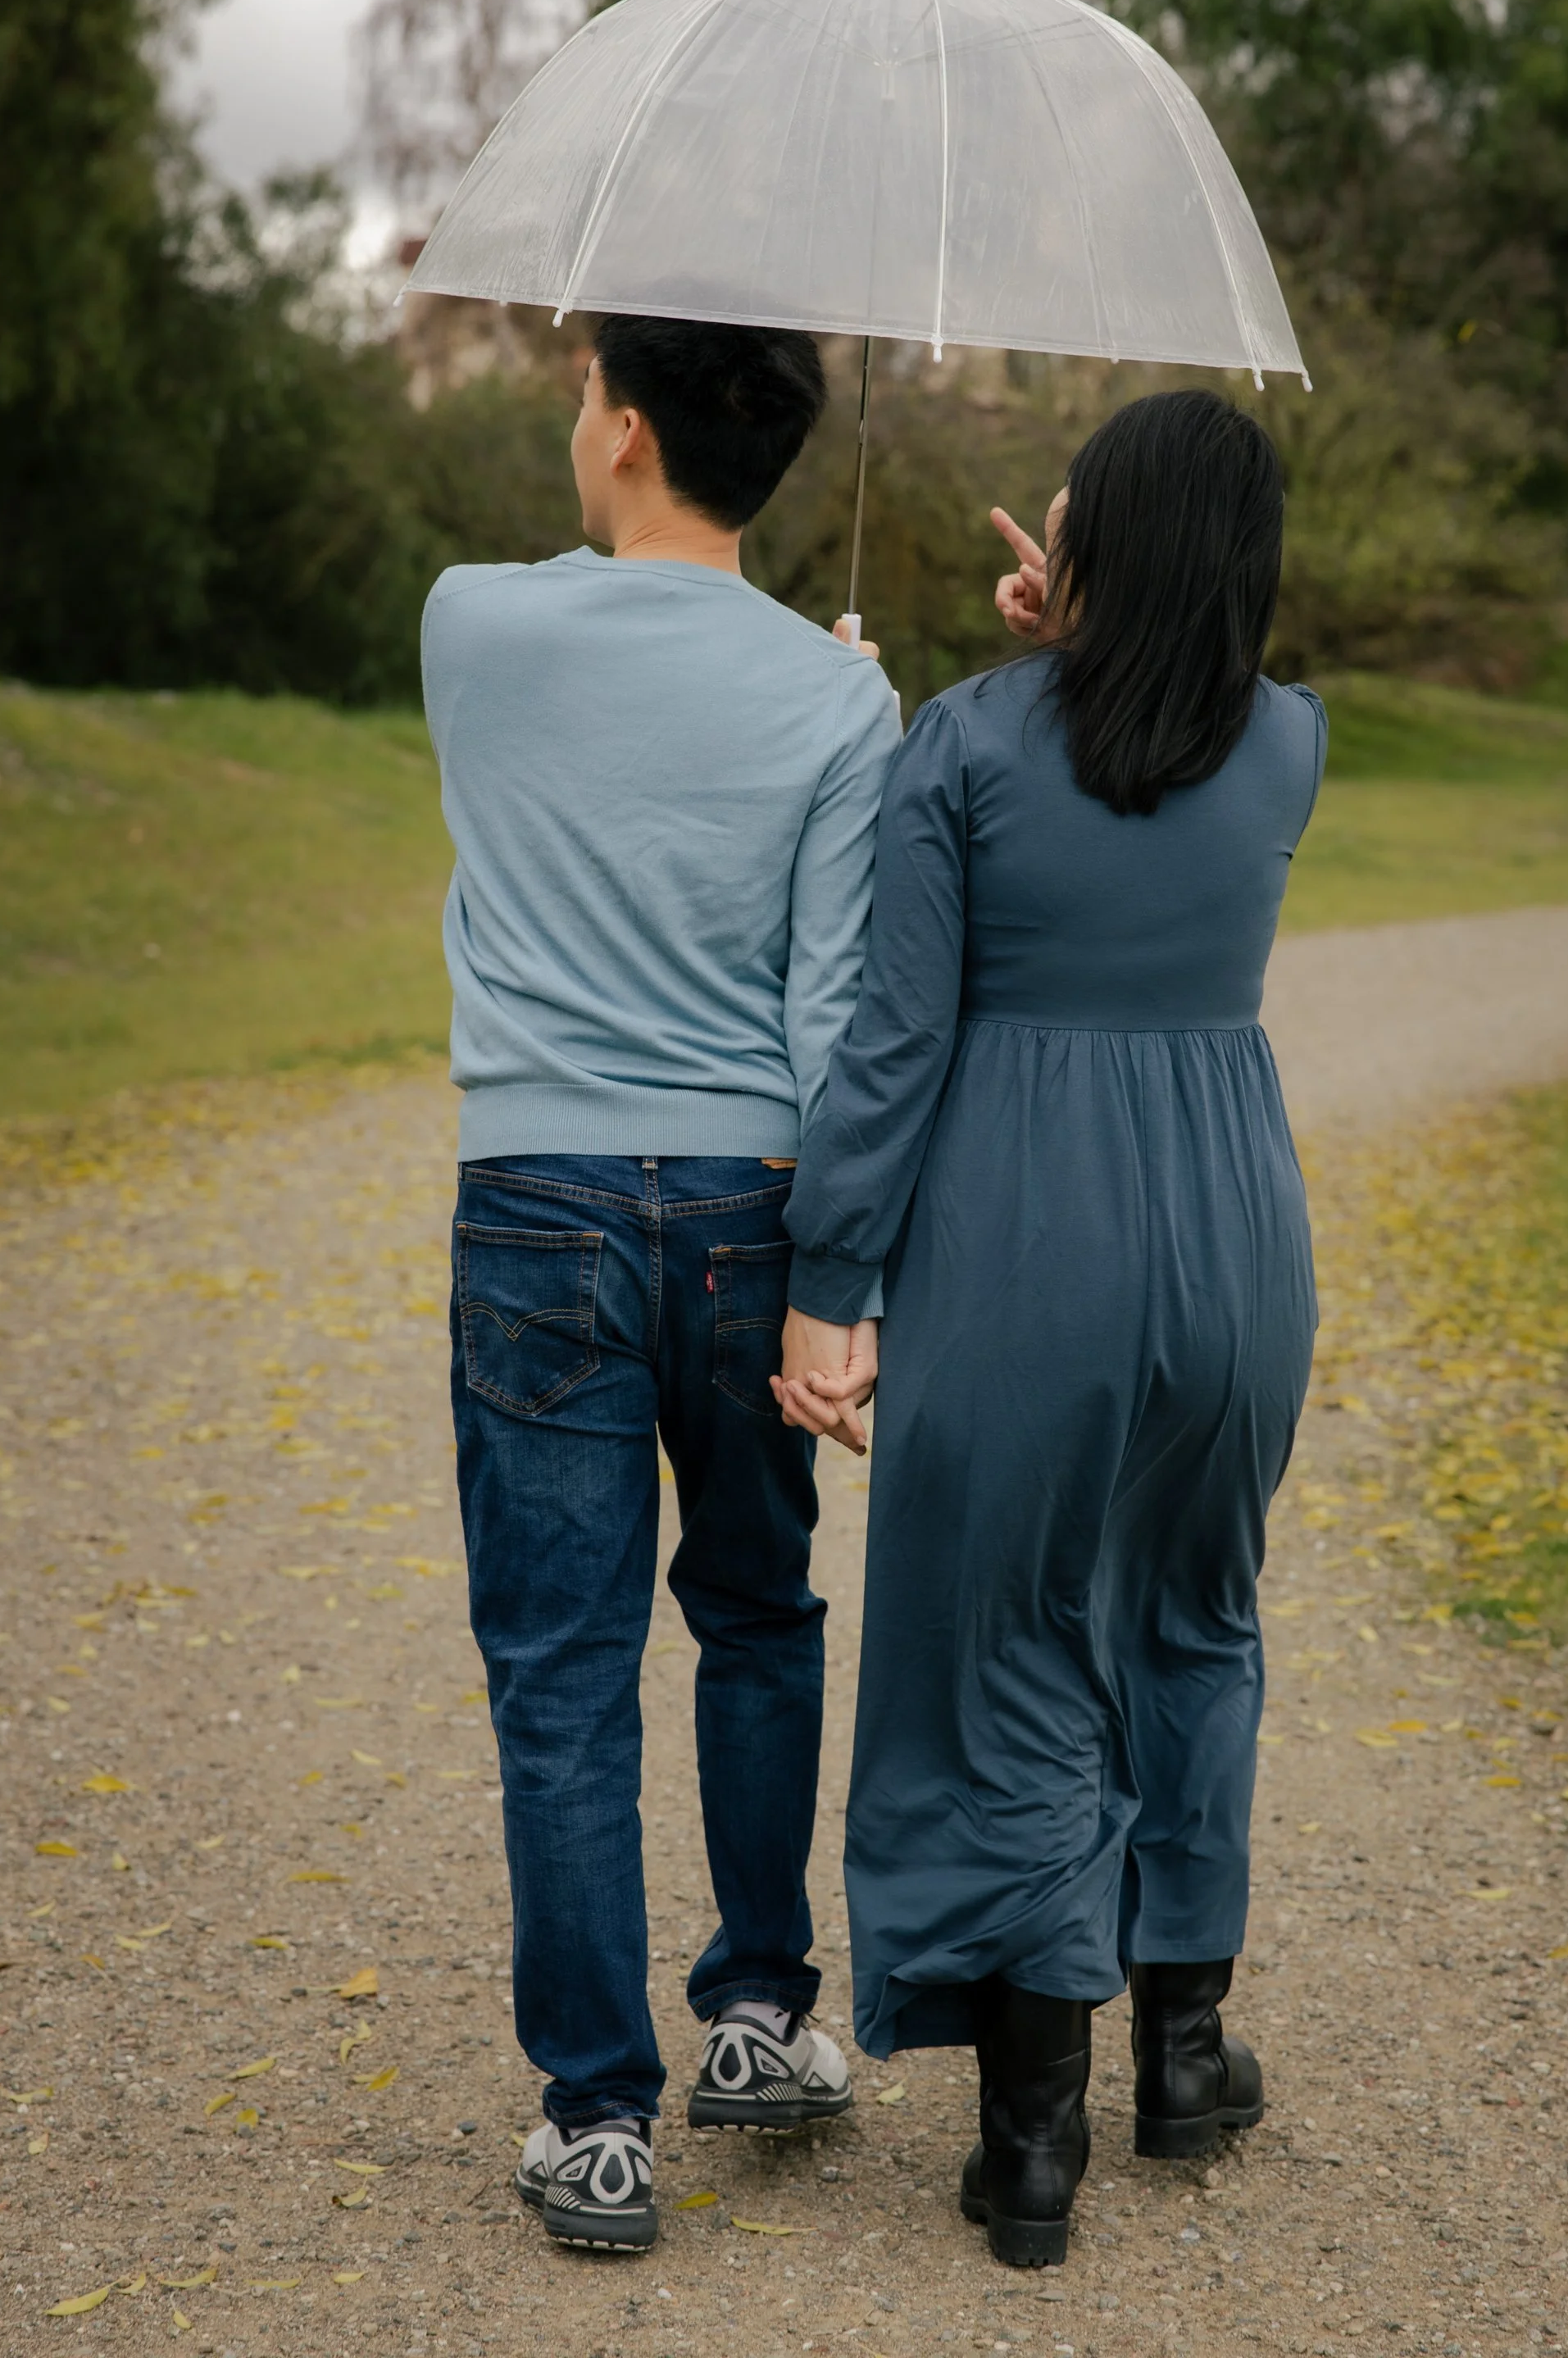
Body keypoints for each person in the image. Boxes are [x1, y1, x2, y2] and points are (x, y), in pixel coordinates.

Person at [774, 388, 1325, 2269]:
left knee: (1009, 1646)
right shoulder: (1292, 748)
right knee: (1194, 1614)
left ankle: (1032, 2145)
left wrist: (829, 1283)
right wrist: (1105, 634)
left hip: (1027, 1236)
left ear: (1093, 550)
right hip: (1236, 1242)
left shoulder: (964, 750)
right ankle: (1182, 2055)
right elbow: (1183, 721)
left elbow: (894, 1046)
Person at [425, 316, 901, 2252]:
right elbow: (832, 1014)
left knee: (559, 1666)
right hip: (747, 1201)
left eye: (576, 397)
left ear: (622, 431)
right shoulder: (838, 703)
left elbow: (579, 634)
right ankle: (761, 2014)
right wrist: (839, 698)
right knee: (758, 1616)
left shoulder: (474, 624)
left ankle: (593, 2114)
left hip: (533, 1193)